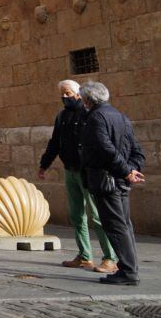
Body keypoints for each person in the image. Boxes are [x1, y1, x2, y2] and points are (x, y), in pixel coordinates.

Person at [38, 80, 117, 273]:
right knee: (76, 215)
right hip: (70, 170)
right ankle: (84, 255)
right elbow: (55, 142)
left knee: (97, 216)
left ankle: (110, 257)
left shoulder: (90, 114)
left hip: (87, 171)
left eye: (68, 93)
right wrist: (44, 165)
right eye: (62, 94)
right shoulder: (62, 116)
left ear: (78, 94)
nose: (65, 97)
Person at [79, 81, 145, 286]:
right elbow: (137, 151)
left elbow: (105, 149)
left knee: (115, 225)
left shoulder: (95, 118)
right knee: (125, 224)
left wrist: (126, 172)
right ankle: (130, 268)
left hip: (107, 181)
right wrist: (132, 170)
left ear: (87, 100)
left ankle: (128, 271)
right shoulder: (121, 117)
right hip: (121, 180)